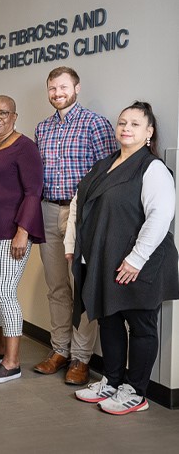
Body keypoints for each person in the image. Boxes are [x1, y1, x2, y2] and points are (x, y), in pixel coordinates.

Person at [68, 102, 179, 415]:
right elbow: (80, 204)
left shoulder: (152, 168)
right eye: (122, 123)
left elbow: (160, 217)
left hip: (140, 263)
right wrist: (72, 245)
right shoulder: (106, 164)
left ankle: (136, 391)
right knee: (110, 321)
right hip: (105, 261)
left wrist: (136, 259)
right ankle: (113, 381)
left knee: (141, 325)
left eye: (134, 124)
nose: (126, 128)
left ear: (149, 132)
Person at [33, 67, 117, 385]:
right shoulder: (42, 129)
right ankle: (60, 351)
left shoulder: (95, 124)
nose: (57, 93)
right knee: (56, 288)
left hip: (79, 214)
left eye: (63, 87)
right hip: (47, 210)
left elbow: (108, 176)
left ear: (77, 88)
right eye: (52, 88)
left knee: (82, 289)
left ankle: (81, 359)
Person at [0, 95, 44, 384]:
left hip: (13, 232)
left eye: (3, 113)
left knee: (4, 291)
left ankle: (12, 362)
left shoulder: (25, 148)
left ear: (15, 116)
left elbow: (33, 192)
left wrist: (23, 231)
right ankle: (2, 348)